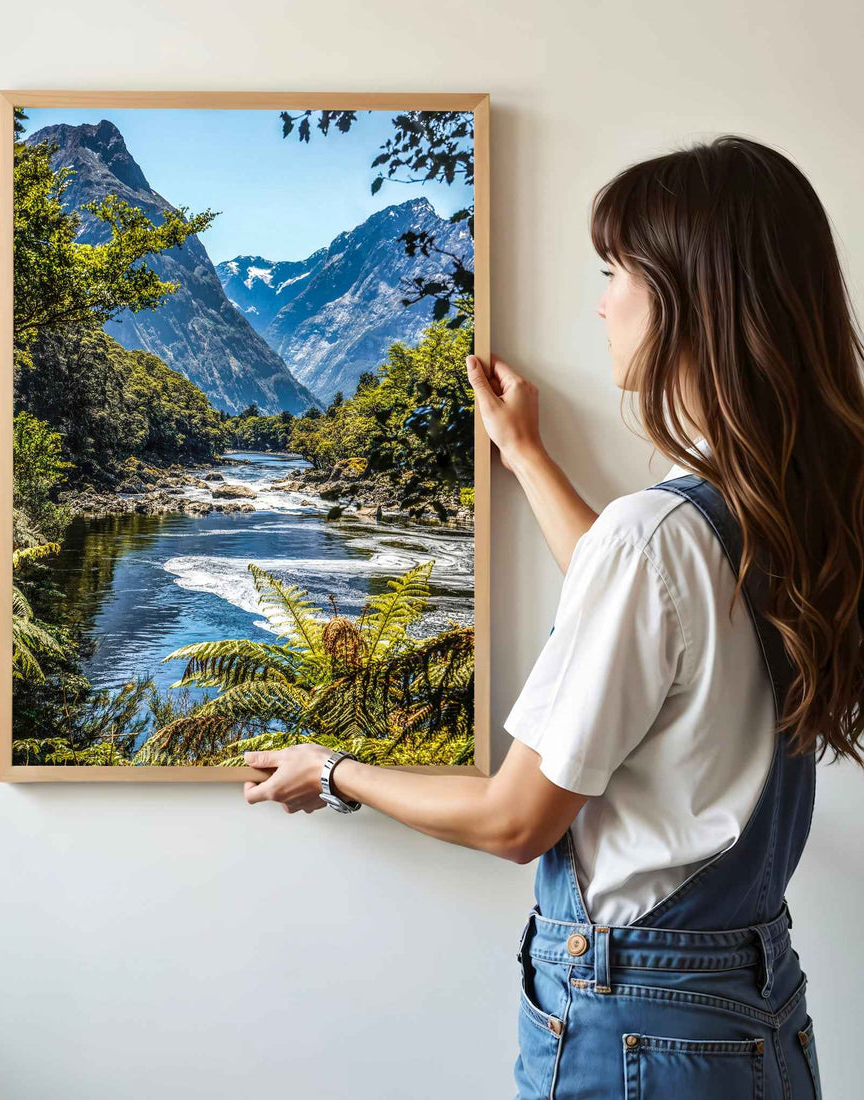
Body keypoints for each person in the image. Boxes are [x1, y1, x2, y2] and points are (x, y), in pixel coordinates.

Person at [240, 134, 864, 1098]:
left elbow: (514, 819)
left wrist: (331, 770)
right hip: (753, 1010)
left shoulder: (659, 534)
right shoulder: (784, 509)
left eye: (616, 271)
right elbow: (651, 621)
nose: (602, 299)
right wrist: (527, 456)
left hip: (637, 1026)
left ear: (688, 298)